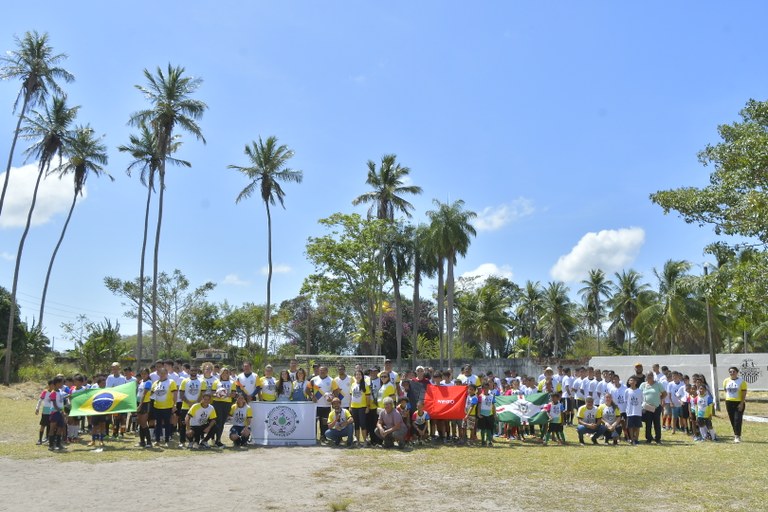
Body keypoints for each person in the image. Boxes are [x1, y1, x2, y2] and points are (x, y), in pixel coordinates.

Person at [150, 367, 178, 447]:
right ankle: (157, 440)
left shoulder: (171, 382)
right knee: (158, 424)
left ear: (167, 374)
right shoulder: (155, 383)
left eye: (164, 373)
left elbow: (174, 394)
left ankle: (167, 440)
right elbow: (151, 394)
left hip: (167, 406)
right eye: (160, 373)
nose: (162, 375)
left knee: (167, 424)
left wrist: (174, 404)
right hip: (157, 406)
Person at [310, 366, 338, 443]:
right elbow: (307, 389)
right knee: (314, 422)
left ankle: (323, 437)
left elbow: (336, 391)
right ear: (318, 371)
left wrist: (332, 398)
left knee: (324, 422)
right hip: (316, 405)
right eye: (320, 370)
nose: (322, 372)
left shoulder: (331, 380)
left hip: (326, 405)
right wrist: (312, 396)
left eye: (324, 370)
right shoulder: (314, 379)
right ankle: (314, 437)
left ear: (327, 371)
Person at [640, 371, 666, 444]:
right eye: (648, 375)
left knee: (657, 423)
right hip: (647, 408)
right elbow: (639, 394)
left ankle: (658, 438)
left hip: (656, 407)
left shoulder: (658, 384)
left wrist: (659, 398)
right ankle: (648, 438)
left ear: (653, 376)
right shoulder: (643, 385)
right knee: (648, 424)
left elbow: (665, 393)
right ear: (646, 377)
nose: (649, 377)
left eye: (651, 375)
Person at [723, 366, 747, 443]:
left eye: (733, 371)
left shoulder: (741, 381)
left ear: (737, 372)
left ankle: (737, 436)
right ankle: (736, 433)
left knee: (737, 419)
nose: (732, 373)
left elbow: (744, 393)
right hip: (729, 402)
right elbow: (726, 391)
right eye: (730, 372)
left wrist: (741, 403)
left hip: (738, 402)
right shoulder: (726, 381)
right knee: (732, 419)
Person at [211, 367, 234, 447]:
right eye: (223, 373)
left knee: (222, 422)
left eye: (226, 373)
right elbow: (212, 393)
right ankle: (216, 440)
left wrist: (225, 395)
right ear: (220, 374)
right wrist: (218, 395)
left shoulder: (232, 382)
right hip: (217, 403)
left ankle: (218, 439)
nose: (225, 374)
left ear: (229, 374)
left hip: (227, 403)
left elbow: (233, 394)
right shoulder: (216, 382)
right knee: (218, 422)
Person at [105, 362, 127, 439]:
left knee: (123, 418)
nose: (114, 370)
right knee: (115, 418)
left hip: (121, 400)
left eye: (116, 368)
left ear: (119, 369)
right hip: (112, 400)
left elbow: (124, 389)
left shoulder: (123, 378)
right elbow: (107, 388)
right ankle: (114, 433)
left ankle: (122, 432)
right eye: (113, 368)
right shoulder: (109, 377)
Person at [349, 369, 370, 447]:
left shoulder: (365, 385)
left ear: (362, 376)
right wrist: (350, 406)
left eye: (359, 375)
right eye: (356, 375)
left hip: (362, 407)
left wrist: (367, 407)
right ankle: (357, 441)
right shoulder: (353, 385)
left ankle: (365, 441)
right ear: (354, 376)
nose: (358, 376)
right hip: (354, 407)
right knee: (356, 425)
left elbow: (368, 397)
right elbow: (351, 396)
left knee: (363, 424)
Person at [136, 368, 154, 448]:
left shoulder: (149, 382)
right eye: (142, 374)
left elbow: (144, 394)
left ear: (148, 374)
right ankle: (142, 441)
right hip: (139, 403)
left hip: (145, 404)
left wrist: (140, 405)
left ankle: (149, 442)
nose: (143, 375)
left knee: (144, 423)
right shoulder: (141, 382)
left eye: (145, 374)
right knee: (140, 423)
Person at [624, 376, 643, 445]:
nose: (632, 382)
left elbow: (641, 400)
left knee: (637, 426)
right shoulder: (627, 391)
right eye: (630, 380)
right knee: (630, 426)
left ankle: (636, 439)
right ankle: (632, 439)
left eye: (633, 380)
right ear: (629, 382)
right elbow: (625, 401)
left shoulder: (639, 391)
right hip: (630, 412)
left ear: (636, 382)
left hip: (637, 411)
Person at [478, 381, 496, 447]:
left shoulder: (492, 396)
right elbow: (479, 405)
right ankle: (483, 441)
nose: (486, 389)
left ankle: (489, 441)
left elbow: (493, 405)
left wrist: (494, 414)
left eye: (487, 388)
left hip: (489, 414)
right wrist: (479, 414)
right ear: (482, 388)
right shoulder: (480, 396)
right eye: (484, 388)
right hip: (482, 414)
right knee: (483, 429)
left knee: (489, 429)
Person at [35, 380, 53, 445]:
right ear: (49, 385)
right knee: (43, 425)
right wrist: (37, 408)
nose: (53, 386)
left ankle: (48, 438)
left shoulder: (55, 392)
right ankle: (40, 439)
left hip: (52, 411)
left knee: (50, 425)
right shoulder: (45, 392)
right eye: (52, 385)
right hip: (45, 411)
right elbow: (40, 400)